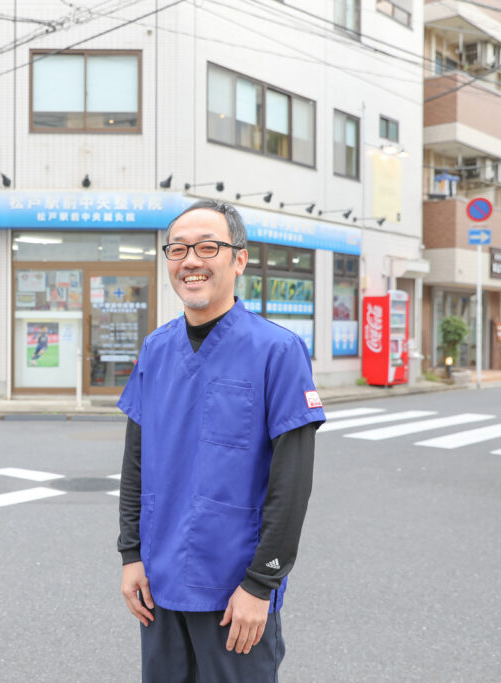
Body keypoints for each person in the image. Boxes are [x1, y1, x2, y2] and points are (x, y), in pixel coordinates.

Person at [117, 199, 325, 681]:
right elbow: (135, 462)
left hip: (235, 592)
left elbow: (291, 483)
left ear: (239, 258)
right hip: (160, 584)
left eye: (208, 247)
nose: (191, 261)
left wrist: (261, 584)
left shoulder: (278, 350)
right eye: (178, 249)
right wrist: (131, 555)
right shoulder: (156, 349)